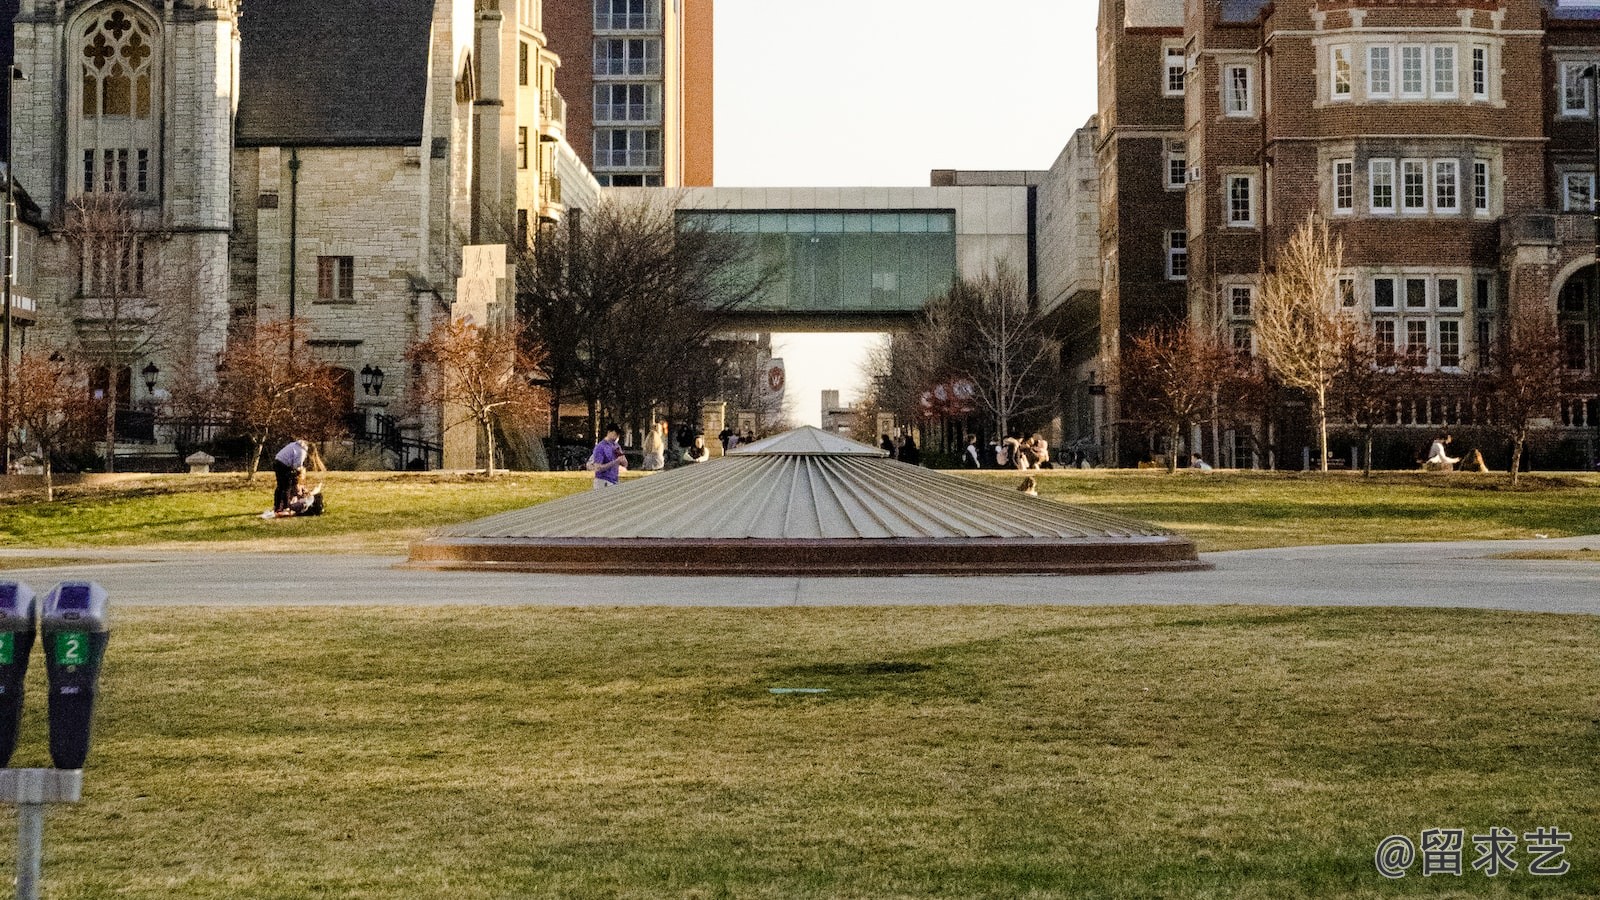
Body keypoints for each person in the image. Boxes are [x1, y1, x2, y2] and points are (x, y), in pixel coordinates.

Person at [271, 439, 310, 516]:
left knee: (280, 486)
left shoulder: (294, 445)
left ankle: (277, 506)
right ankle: (286, 508)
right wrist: (300, 472)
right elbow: (297, 466)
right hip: (284, 465)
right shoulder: (302, 451)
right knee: (287, 487)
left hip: (277, 462)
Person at [588, 424, 626, 489]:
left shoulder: (616, 446)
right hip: (603, 481)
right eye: (615, 433)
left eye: (618, 434)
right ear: (609, 432)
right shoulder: (601, 447)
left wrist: (621, 457)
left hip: (614, 481)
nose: (617, 436)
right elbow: (598, 468)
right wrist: (615, 462)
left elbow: (625, 463)